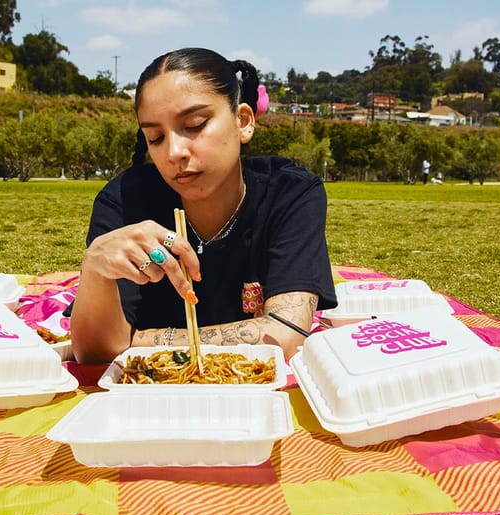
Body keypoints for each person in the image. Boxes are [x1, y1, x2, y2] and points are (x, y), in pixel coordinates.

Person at [69, 47, 337, 364]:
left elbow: (285, 335)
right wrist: (95, 269)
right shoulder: (124, 202)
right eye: (155, 137)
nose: (174, 152)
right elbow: (93, 351)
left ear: (244, 121)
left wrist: (134, 340)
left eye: (195, 125)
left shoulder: (290, 193)